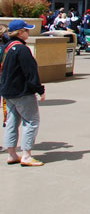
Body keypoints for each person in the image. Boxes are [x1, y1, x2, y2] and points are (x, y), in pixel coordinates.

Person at [0, 20, 46, 166]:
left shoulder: (7, 47)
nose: (28, 32)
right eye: (26, 30)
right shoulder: (22, 50)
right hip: (22, 92)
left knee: (12, 122)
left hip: (8, 91)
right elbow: (30, 72)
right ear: (20, 32)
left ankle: (12, 153)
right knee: (31, 121)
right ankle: (26, 155)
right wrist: (40, 90)